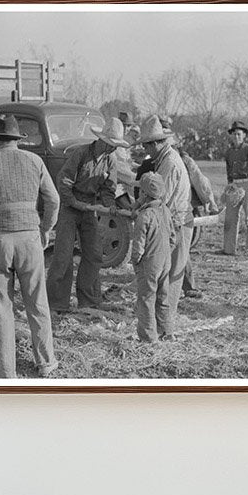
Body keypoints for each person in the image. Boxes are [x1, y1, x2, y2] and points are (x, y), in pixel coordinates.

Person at [0, 114, 61, 378]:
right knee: (37, 302)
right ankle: (46, 361)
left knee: (1, 307)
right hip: (30, 239)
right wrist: (46, 229)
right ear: (18, 140)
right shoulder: (35, 161)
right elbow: (53, 200)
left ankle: (4, 370)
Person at [47, 117, 130, 312]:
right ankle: (56, 303)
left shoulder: (110, 160)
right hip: (70, 207)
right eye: (111, 145)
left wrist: (110, 206)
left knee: (93, 254)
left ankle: (89, 300)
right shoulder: (81, 154)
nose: (113, 149)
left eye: (115, 146)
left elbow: (109, 189)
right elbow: (64, 180)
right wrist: (74, 202)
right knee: (63, 256)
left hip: (90, 207)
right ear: (101, 140)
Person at [136, 116, 193, 337]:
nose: (145, 149)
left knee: (172, 276)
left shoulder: (169, 162)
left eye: (147, 144)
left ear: (158, 143)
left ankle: (165, 326)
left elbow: (160, 196)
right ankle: (163, 325)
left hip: (177, 222)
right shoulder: (163, 158)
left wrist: (141, 211)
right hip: (170, 221)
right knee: (165, 275)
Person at [156, 115, 217, 300]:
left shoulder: (182, 159)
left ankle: (187, 287)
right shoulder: (158, 158)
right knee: (176, 254)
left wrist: (211, 203)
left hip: (183, 209)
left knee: (181, 253)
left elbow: (201, 182)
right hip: (167, 211)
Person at [130, 171, 175, 342]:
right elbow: (173, 239)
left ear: (144, 194)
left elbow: (138, 246)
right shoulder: (166, 211)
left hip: (150, 263)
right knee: (162, 297)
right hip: (166, 261)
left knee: (146, 299)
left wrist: (136, 261)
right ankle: (166, 332)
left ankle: (148, 337)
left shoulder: (145, 216)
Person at [222, 120, 248, 255]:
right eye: (234, 134)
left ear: (244, 135)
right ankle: (228, 249)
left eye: (239, 134)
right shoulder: (229, 152)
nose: (236, 137)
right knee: (230, 217)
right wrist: (230, 184)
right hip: (235, 184)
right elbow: (229, 170)